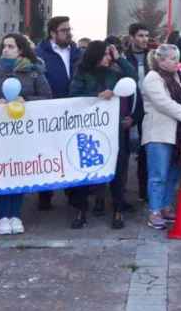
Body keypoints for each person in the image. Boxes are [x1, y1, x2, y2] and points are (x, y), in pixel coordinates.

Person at [0, 33, 52, 235]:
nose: (6, 50)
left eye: (11, 46)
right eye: (4, 46)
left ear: (21, 50)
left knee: (18, 172)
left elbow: (46, 96)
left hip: (23, 131)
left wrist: (26, 99)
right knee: (2, 171)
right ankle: (2, 216)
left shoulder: (34, 71)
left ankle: (15, 214)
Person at [67, 40, 136, 230]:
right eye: (105, 54)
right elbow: (73, 95)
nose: (108, 57)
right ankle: (81, 209)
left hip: (114, 129)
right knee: (85, 168)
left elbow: (132, 78)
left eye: (109, 54)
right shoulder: (82, 72)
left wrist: (119, 58)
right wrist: (97, 95)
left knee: (119, 169)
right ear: (96, 55)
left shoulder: (115, 72)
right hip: (89, 129)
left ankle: (117, 209)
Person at [140, 44, 181, 230]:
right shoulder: (153, 78)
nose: (176, 61)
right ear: (160, 60)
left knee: (174, 173)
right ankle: (154, 211)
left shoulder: (180, 77)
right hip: (159, 133)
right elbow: (163, 103)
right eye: (172, 58)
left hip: (179, 134)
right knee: (158, 174)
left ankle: (166, 206)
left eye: (177, 57)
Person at [34, 16, 83, 211]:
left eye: (69, 29)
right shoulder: (40, 53)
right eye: (64, 30)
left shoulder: (77, 52)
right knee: (48, 154)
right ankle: (45, 194)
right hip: (50, 111)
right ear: (52, 33)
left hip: (73, 110)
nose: (69, 33)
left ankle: (72, 193)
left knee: (71, 152)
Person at [125, 23, 152, 204]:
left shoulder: (153, 57)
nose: (144, 39)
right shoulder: (124, 57)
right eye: (141, 36)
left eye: (146, 36)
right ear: (132, 37)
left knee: (145, 152)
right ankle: (120, 193)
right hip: (130, 107)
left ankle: (144, 191)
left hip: (150, 109)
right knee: (124, 151)